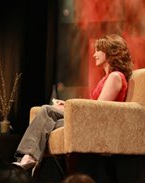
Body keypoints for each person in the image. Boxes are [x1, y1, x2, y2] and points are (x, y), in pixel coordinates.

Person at [11, 34, 133, 174]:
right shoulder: (107, 77)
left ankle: (29, 157)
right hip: (90, 119)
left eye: (98, 50)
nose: (94, 54)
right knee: (48, 122)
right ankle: (30, 158)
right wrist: (67, 105)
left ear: (110, 52)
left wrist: (71, 108)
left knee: (47, 111)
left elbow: (99, 109)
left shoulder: (115, 77)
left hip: (98, 124)